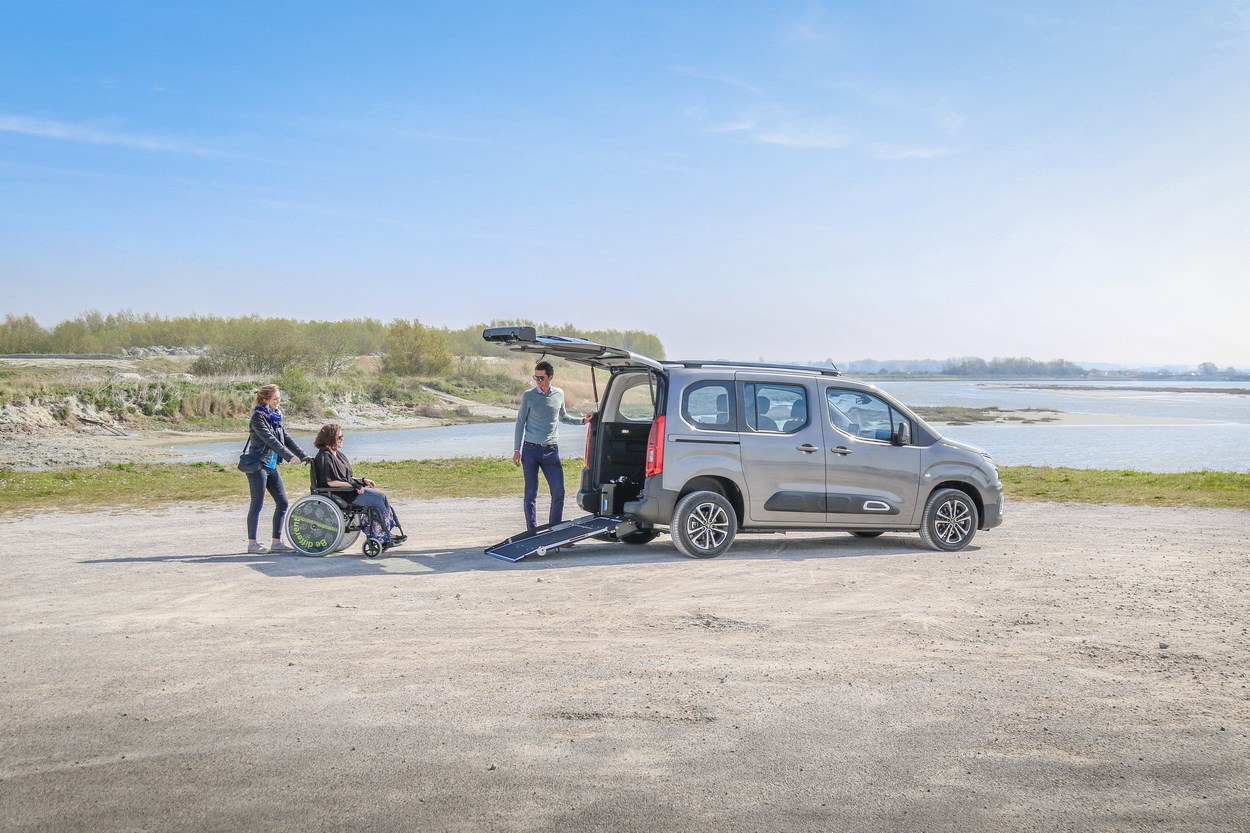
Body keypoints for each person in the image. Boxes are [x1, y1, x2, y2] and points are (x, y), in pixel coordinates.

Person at [512, 360, 592, 530]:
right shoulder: (528, 396)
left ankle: (554, 529)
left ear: (550, 377)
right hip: (530, 450)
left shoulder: (559, 394)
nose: (537, 381)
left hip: (551, 451)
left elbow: (563, 417)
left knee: (558, 492)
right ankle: (532, 530)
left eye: (540, 378)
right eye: (535, 377)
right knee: (531, 493)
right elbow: (520, 423)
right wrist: (516, 450)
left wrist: (583, 421)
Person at [312, 423, 405, 545]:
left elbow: (346, 477)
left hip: (348, 490)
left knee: (382, 496)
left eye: (342, 436)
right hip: (340, 494)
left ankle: (384, 531)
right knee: (376, 499)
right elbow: (330, 482)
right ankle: (380, 536)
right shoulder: (324, 456)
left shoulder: (338, 455)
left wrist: (363, 480)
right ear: (330, 438)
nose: (342, 439)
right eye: (339, 437)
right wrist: (353, 486)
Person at [245, 384, 311, 554]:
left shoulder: (275, 417)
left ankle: (276, 543)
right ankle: (252, 544)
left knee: (282, 502)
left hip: (271, 465)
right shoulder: (258, 418)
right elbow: (271, 441)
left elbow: (286, 439)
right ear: (265, 400)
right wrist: (290, 457)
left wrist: (303, 455)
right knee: (257, 504)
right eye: (275, 399)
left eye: (279, 399)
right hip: (258, 465)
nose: (278, 402)